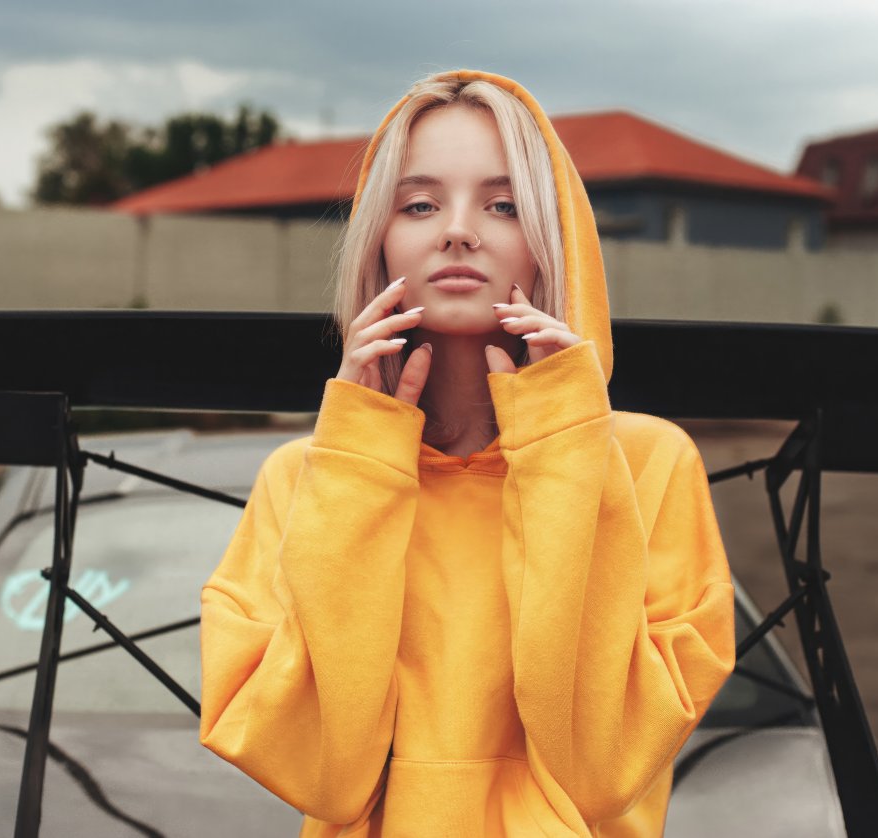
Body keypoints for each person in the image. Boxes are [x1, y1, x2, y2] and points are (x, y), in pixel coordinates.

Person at [199, 69, 736, 837]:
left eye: (505, 204)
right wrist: (360, 454)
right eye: (418, 204)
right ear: (379, 244)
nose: (458, 230)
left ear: (557, 242)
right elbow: (322, 771)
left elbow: (604, 764)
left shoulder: (649, 464)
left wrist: (561, 445)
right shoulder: (307, 477)